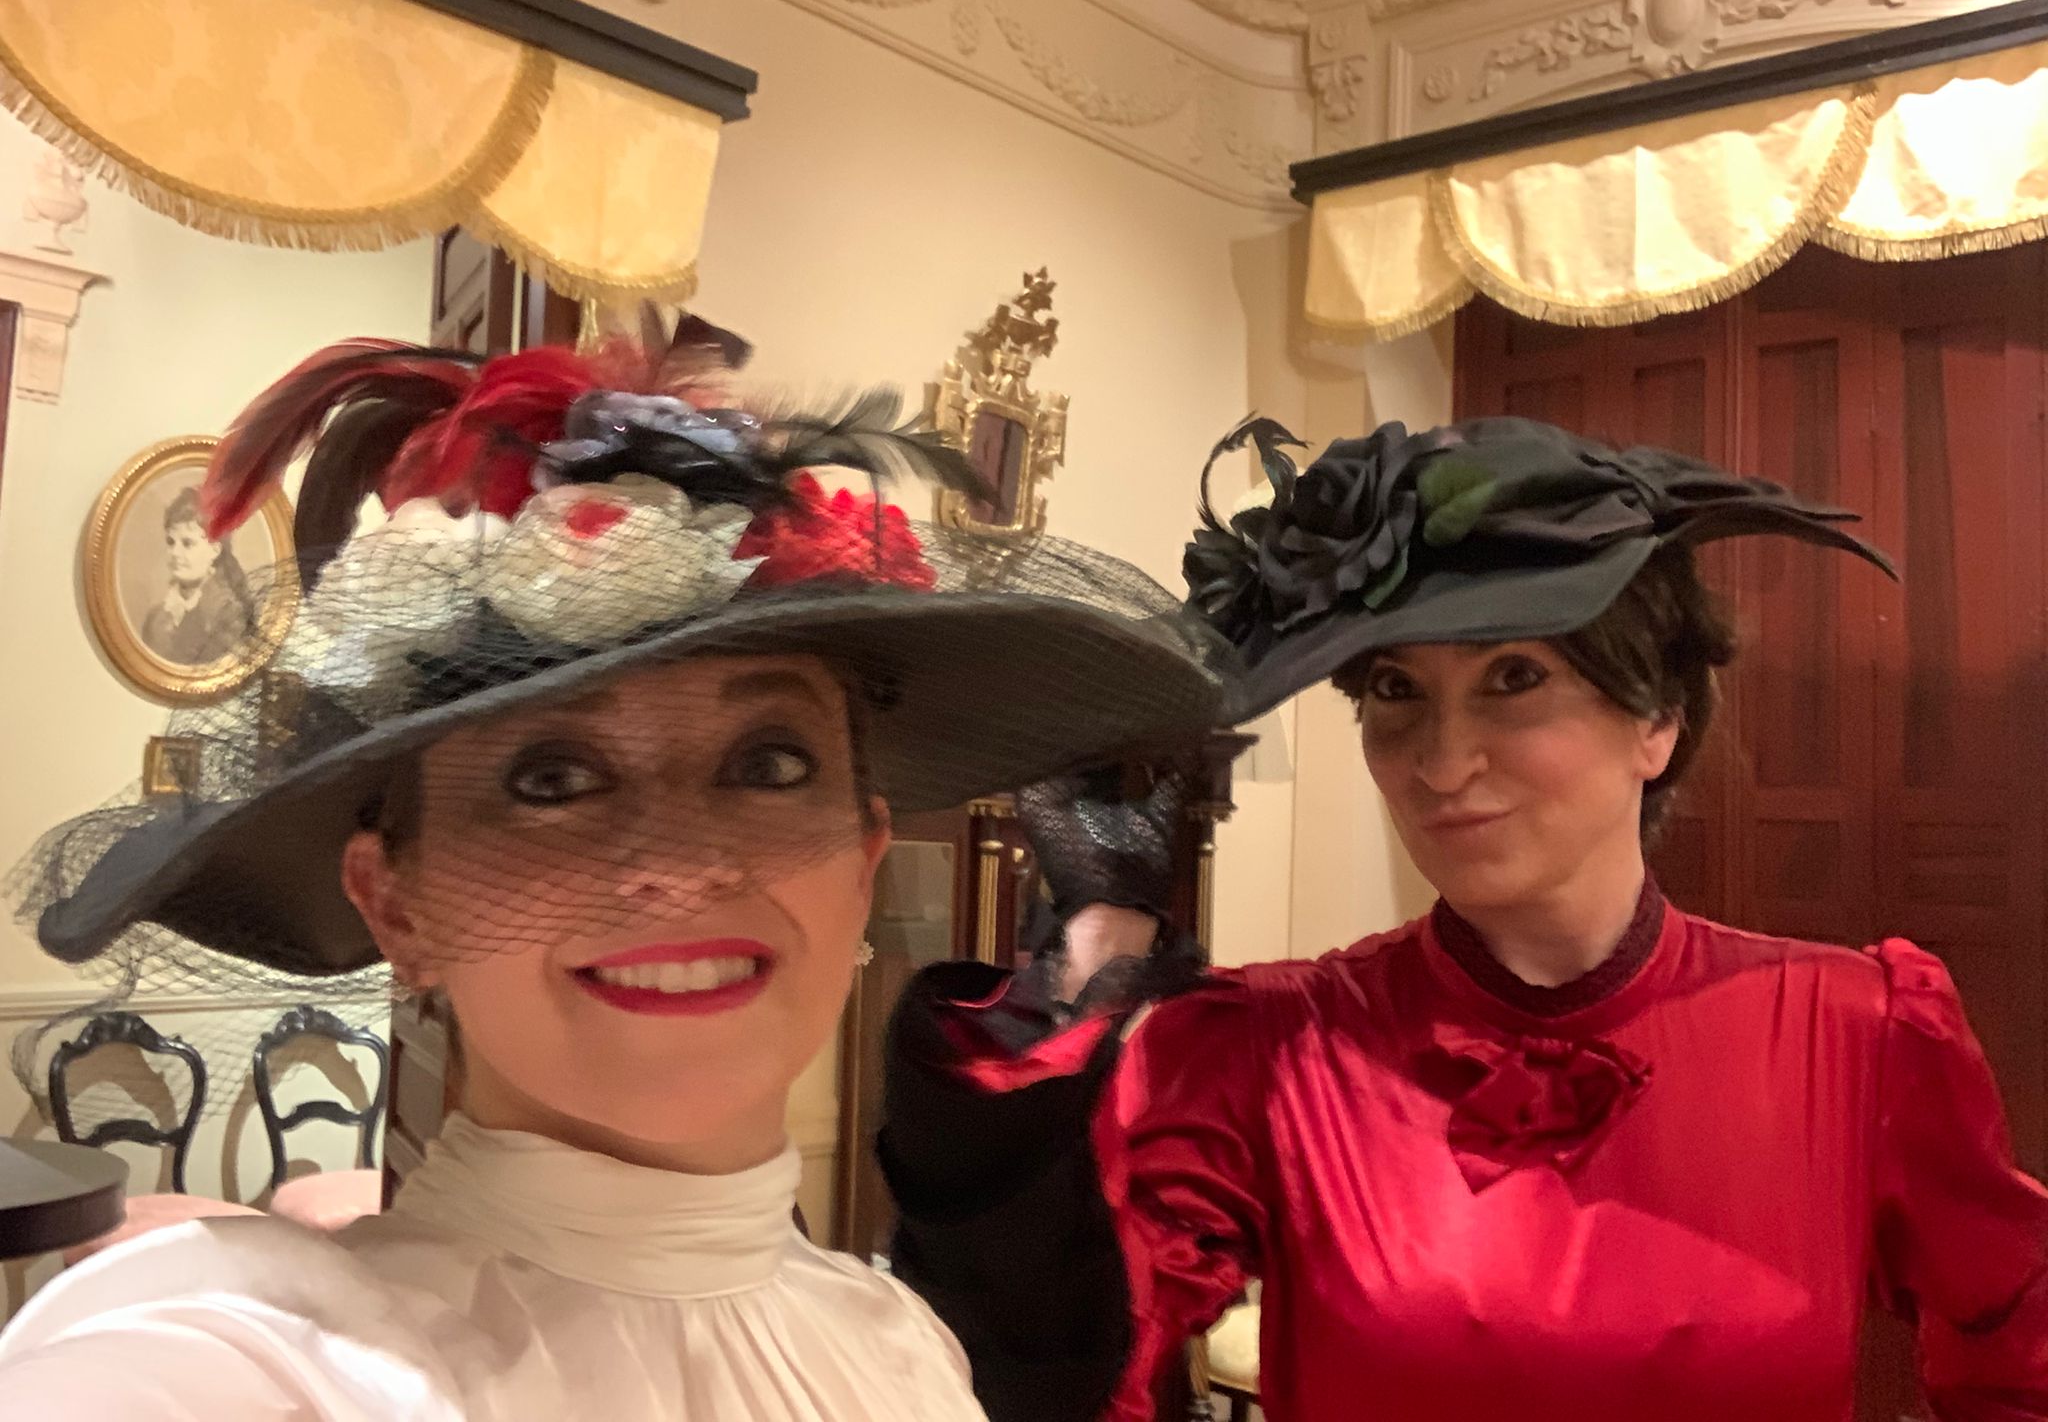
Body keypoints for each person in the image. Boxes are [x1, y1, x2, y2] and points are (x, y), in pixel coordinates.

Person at [0, 318, 1229, 1421]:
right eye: (551, 780)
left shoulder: (899, 1350)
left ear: (861, 863)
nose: (677, 867)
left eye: (767, 763)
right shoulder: (254, 1364)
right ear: (396, 905)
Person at [879, 416, 2048, 1422]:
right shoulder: (1265, 1052)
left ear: (1656, 721)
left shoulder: (1857, 1032)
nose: (1440, 762)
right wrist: (1096, 933)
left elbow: (2020, 1345)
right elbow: (1040, 1364)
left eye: (1512, 679)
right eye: (1396, 692)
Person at [139, 485, 254, 665]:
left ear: (215, 550)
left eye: (187, 543)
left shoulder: (229, 614)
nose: (175, 552)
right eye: (171, 542)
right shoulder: (155, 619)